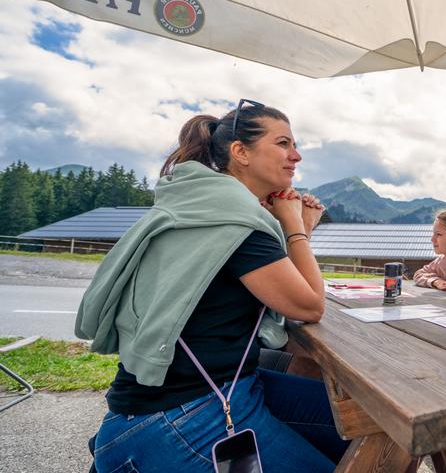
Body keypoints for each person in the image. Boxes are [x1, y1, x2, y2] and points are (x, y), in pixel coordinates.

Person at [75, 100, 349, 473]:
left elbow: (283, 286)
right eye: (283, 143)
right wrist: (295, 226)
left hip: (217, 391)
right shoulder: (236, 222)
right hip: (182, 415)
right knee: (361, 439)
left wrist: (291, 226)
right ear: (241, 152)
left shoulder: (211, 208)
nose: (296, 156)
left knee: (366, 425)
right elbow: (310, 305)